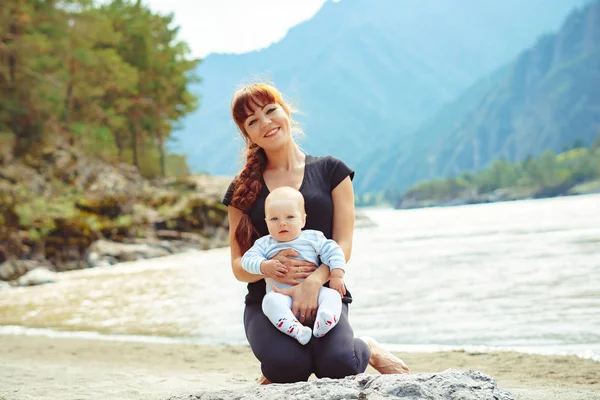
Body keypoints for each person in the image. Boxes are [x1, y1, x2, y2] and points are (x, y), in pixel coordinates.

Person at [222, 82, 410, 384]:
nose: (266, 123)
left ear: (286, 112)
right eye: (253, 121)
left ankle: (368, 348)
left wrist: (314, 281)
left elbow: (343, 243)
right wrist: (271, 269)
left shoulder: (331, 171)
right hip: (268, 302)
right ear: (248, 135)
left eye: (271, 111)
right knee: (287, 369)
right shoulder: (241, 191)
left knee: (339, 365)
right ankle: (277, 361)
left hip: (325, 295)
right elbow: (237, 266)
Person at [241, 186, 347, 345]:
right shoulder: (264, 243)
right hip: (281, 296)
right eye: (274, 219)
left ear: (303, 220)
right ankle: (296, 329)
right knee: (269, 302)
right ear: (266, 222)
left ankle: (324, 320)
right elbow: (246, 260)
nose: (282, 223)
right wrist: (264, 266)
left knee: (333, 296)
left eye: (290, 217)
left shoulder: (314, 238)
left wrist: (337, 275)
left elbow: (335, 252)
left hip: (314, 295)